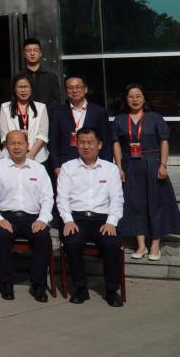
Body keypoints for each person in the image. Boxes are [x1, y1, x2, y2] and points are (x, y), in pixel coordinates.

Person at [112, 83, 180, 260]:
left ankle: (155, 243)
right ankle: (141, 244)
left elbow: (164, 141)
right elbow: (116, 144)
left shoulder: (155, 118)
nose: (135, 99)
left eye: (138, 96)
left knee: (155, 202)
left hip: (152, 163)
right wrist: (119, 167)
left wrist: (163, 165)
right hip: (130, 165)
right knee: (134, 203)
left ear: (144, 98)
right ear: (126, 99)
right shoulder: (120, 120)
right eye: (131, 96)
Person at [57, 127, 124, 307]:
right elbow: (62, 198)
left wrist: (111, 222)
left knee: (111, 244)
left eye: (90, 143)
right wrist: (68, 220)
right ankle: (80, 288)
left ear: (99, 145)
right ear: (76, 144)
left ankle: (111, 290)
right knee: (72, 242)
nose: (86, 146)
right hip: (76, 218)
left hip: (102, 219)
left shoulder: (110, 169)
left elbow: (117, 199)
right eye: (82, 143)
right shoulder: (68, 168)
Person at [0, 130, 54, 302]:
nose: (16, 147)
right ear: (6, 146)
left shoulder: (39, 169)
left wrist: (43, 219)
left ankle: (38, 285)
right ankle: (6, 284)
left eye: (20, 143)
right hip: (6, 216)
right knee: (1, 236)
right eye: (12, 143)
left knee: (43, 237)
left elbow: (48, 197)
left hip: (33, 217)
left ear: (27, 145)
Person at [49, 75, 111, 174]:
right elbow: (53, 141)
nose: (74, 91)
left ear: (85, 89)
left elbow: (106, 141)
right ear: (65, 91)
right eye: (70, 88)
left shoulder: (99, 112)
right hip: (66, 163)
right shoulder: (57, 112)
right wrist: (56, 166)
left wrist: (107, 165)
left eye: (78, 87)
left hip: (94, 163)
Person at [0, 73, 49, 166]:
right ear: (14, 89)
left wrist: (31, 153)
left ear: (31, 88)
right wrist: (18, 153)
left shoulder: (41, 107)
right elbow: (4, 135)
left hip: (37, 157)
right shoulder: (5, 107)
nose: (23, 90)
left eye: (26, 87)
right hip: (11, 157)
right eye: (20, 87)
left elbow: (43, 134)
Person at [13, 37, 62, 109]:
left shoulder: (51, 75)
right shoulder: (18, 76)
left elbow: (56, 99)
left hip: (48, 114)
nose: (32, 53)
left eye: (35, 50)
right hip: (25, 114)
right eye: (29, 51)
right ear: (24, 54)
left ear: (40, 53)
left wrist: (44, 113)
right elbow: (14, 99)